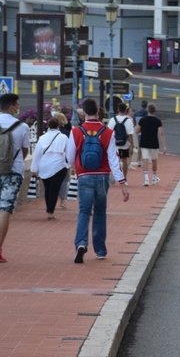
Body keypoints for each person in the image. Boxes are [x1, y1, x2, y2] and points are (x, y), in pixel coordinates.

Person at [66, 98, 129, 263]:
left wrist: (74, 167)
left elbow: (69, 156)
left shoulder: (76, 132)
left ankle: (81, 244)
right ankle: (100, 250)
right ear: (98, 111)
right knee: (100, 212)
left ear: (84, 112)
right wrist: (122, 183)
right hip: (102, 177)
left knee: (84, 212)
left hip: (84, 176)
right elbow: (114, 160)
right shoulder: (108, 132)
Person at [0, 94, 31, 263]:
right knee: (4, 209)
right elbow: (25, 151)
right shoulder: (22, 126)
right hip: (12, 172)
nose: (18, 108)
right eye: (17, 105)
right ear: (12, 107)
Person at [30, 118, 69, 220]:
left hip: (45, 166)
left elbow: (37, 154)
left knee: (48, 189)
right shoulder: (63, 137)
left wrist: (34, 168)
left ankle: (49, 209)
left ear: (48, 126)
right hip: (59, 166)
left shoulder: (42, 138)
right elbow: (69, 153)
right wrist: (71, 165)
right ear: (58, 126)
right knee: (54, 189)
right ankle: (50, 211)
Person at [135, 103, 167, 186]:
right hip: (154, 142)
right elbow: (161, 133)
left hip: (144, 142)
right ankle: (154, 177)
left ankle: (146, 179)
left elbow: (136, 131)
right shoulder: (157, 121)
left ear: (147, 110)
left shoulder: (143, 120)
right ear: (154, 111)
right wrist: (164, 146)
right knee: (154, 160)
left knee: (145, 159)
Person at [107, 103, 134, 181]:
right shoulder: (128, 121)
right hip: (124, 144)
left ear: (118, 109)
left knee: (114, 160)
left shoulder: (113, 120)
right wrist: (131, 145)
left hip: (115, 144)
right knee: (124, 160)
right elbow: (130, 135)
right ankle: (124, 178)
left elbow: (109, 132)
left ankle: (113, 175)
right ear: (125, 110)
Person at [53, 112, 71, 208]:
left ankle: (53, 199)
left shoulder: (49, 133)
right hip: (64, 160)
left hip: (52, 160)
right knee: (65, 180)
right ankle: (62, 200)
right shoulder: (67, 133)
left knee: (54, 181)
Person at [133, 101, 148, 167]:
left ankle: (139, 161)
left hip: (138, 131)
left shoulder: (136, 113)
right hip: (145, 131)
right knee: (145, 147)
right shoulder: (146, 113)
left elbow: (134, 122)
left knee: (139, 146)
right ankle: (144, 160)